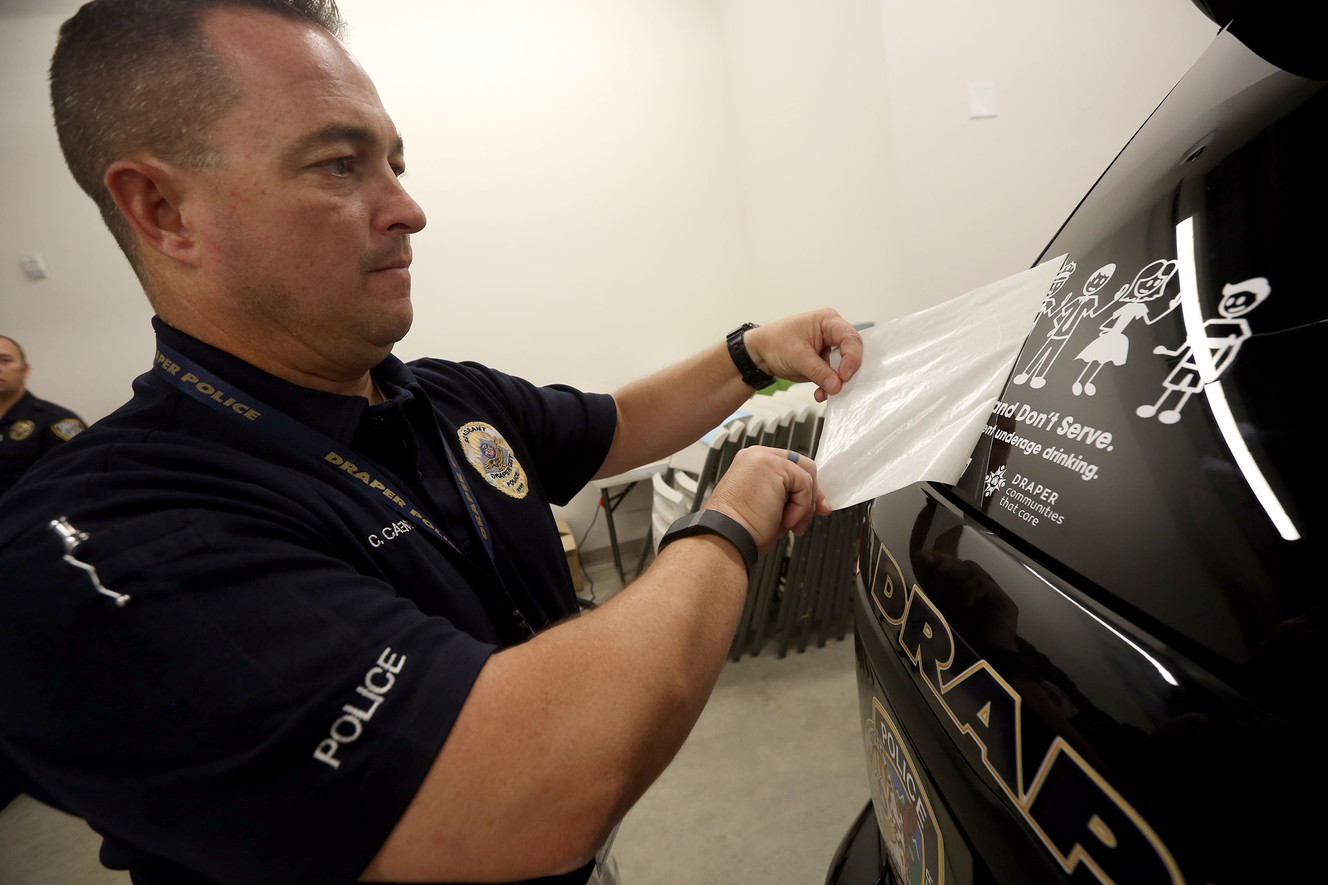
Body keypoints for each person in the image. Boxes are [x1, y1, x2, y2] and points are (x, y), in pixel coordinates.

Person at [0, 2, 864, 883]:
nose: (409, 210)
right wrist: (731, 514)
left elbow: (619, 423)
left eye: (395, 164)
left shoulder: (441, 397)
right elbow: (535, 786)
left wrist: (754, 354)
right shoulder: (101, 540)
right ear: (163, 209)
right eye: (340, 165)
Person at [0, 334, 87, 495]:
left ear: (24, 369)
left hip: (25, 515)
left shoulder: (56, 421)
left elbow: (76, 482)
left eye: (5, 360)